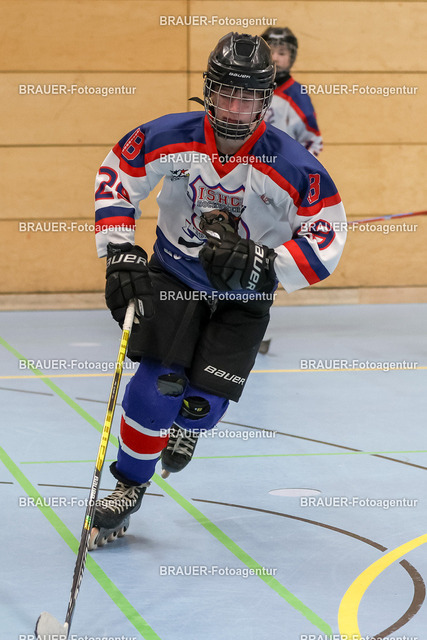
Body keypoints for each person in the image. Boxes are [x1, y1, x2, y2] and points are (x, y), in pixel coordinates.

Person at [90, 32, 346, 548]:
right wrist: (119, 250)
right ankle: (128, 486)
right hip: (175, 275)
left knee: (200, 407)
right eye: (226, 93)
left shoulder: (293, 165)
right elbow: (120, 172)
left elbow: (328, 233)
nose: (234, 108)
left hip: (244, 296)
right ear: (208, 90)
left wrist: (268, 265)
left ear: (265, 101)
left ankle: (189, 425)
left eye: (247, 98)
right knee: (155, 389)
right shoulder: (170, 136)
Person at [261, 27, 323, 156]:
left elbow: (313, 141)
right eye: (270, 52)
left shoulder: (298, 95)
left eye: (282, 53)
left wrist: (296, 165)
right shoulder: (248, 89)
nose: (275, 58)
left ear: (292, 57)